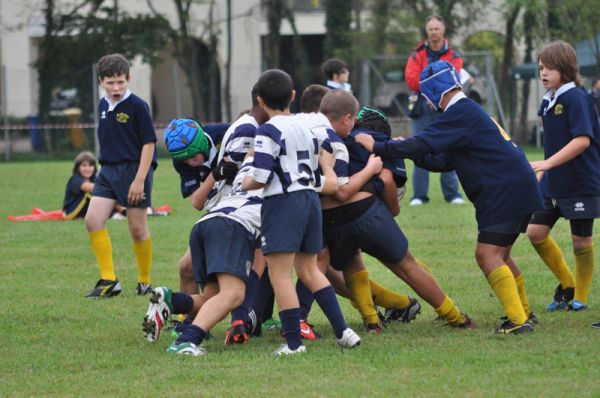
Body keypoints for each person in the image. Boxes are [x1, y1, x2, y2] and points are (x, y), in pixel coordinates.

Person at [356, 60, 543, 334]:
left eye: (426, 96)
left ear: (434, 91)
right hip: (517, 185)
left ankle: (518, 321)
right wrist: (404, 150)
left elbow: (422, 142)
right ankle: (523, 312)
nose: (427, 103)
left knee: (487, 255)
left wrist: (379, 147)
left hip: (504, 190)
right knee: (501, 254)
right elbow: (442, 160)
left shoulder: (460, 113)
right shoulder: (467, 112)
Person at [320, 95, 473, 332]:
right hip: (365, 211)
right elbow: (388, 178)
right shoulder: (374, 140)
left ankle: (371, 321)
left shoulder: (312, 137)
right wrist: (391, 210)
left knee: (352, 262)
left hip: (329, 219)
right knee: (406, 266)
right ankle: (454, 316)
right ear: (348, 119)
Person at [242, 69, 360, 355]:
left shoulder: (267, 130)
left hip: (283, 203)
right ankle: (343, 331)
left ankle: (293, 344)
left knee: (280, 275)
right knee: (309, 269)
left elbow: (260, 175)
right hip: (310, 200)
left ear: (259, 100)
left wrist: (245, 180)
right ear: (293, 95)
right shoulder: (306, 127)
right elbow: (323, 157)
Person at [143, 156, 264, 356]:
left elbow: (253, 150)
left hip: (206, 223)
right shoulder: (283, 177)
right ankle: (186, 341)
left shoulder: (252, 163)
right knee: (233, 294)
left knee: (213, 299)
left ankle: (171, 300)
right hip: (233, 226)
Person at [527, 41, 600, 313]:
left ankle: (579, 297)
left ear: (565, 69)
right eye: (541, 68)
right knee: (535, 233)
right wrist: (542, 173)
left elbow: (581, 141)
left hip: (580, 182)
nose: (543, 73)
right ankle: (567, 285)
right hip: (554, 183)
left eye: (549, 68)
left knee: (581, 241)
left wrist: (546, 163)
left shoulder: (577, 98)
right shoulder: (548, 101)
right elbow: (552, 145)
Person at [84, 53, 157, 298]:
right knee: (92, 220)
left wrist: (139, 180)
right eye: (110, 82)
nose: (116, 88)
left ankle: (144, 281)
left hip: (134, 171)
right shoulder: (103, 105)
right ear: (100, 81)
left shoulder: (138, 105)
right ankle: (109, 281)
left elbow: (149, 144)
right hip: (107, 171)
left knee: (136, 230)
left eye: (120, 82)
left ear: (128, 79)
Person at [405, 15, 464, 206]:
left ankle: (452, 194)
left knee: (449, 148)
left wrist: (428, 77)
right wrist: (435, 82)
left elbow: (454, 79)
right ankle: (419, 196)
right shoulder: (416, 54)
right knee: (418, 147)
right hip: (421, 109)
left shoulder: (454, 55)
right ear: (426, 31)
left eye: (437, 28)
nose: (434, 32)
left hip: (446, 108)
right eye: (431, 29)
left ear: (443, 29)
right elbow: (412, 80)